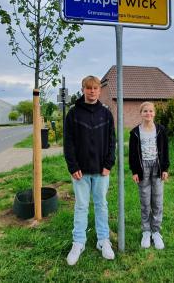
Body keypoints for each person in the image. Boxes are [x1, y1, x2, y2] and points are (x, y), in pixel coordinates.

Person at [64, 75, 116, 266]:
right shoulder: (73, 113)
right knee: (81, 206)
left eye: (95, 88)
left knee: (101, 205)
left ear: (99, 90)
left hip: (102, 171)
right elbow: (68, 142)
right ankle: (79, 242)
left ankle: (103, 240)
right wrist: (73, 166)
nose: (92, 91)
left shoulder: (106, 113)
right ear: (83, 89)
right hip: (81, 172)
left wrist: (109, 164)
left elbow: (112, 141)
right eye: (88, 88)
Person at [129, 102, 170, 250]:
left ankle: (156, 232)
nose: (148, 114)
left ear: (155, 113)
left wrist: (165, 168)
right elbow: (132, 154)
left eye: (151, 111)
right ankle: (146, 231)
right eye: (145, 111)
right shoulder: (135, 132)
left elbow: (165, 150)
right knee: (145, 201)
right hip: (143, 169)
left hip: (157, 168)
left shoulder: (161, 130)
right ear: (141, 113)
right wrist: (134, 171)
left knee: (157, 201)